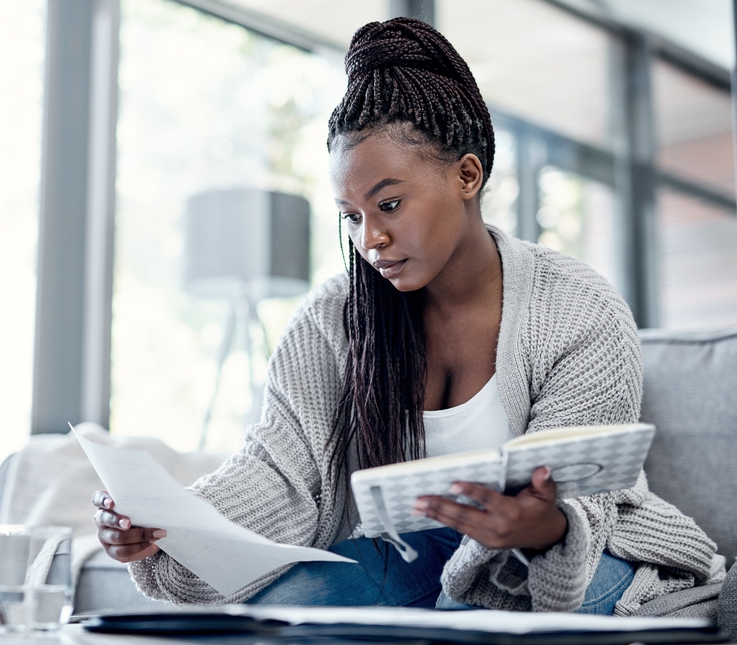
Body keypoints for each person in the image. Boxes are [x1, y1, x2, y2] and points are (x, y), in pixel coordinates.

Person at [92, 18, 725, 613]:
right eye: (352, 215)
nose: (371, 239)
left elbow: (584, 491)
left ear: (467, 175)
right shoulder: (332, 319)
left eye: (389, 203)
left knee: (482, 602)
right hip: (409, 554)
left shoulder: (579, 307)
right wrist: (167, 523)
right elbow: (281, 473)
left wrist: (542, 524)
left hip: (570, 557)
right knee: (285, 610)